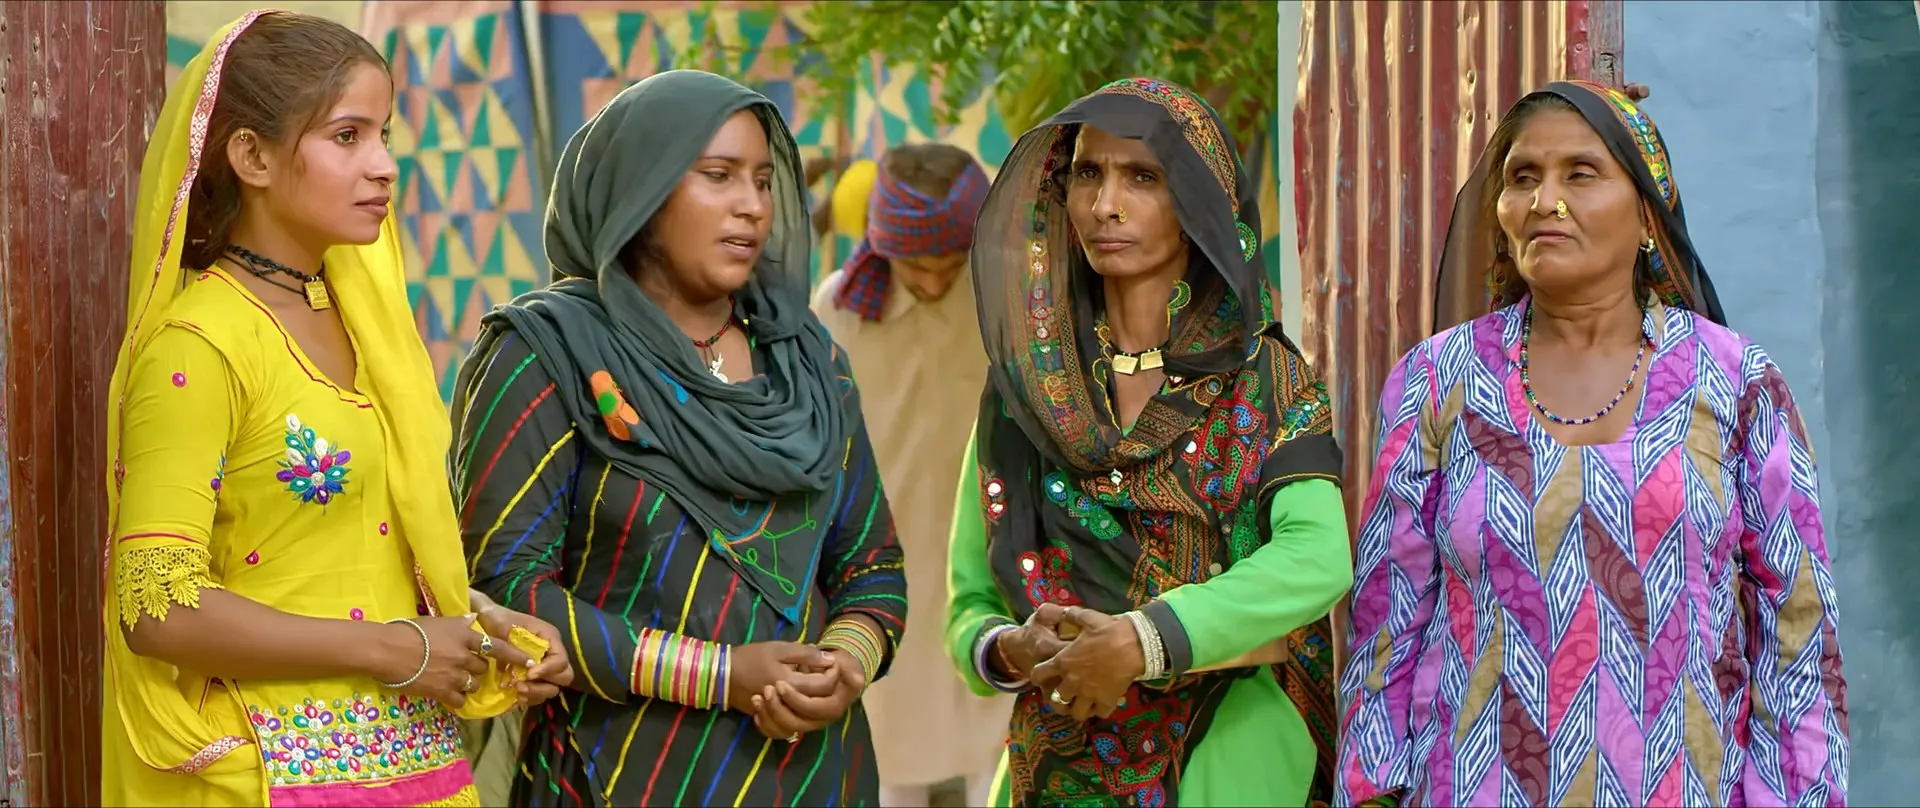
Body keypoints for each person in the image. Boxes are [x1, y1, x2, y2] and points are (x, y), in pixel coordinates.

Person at [103, 11, 571, 805]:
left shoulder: (369, 331)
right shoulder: (199, 347)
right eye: (347, 136)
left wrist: (474, 623)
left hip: (418, 765)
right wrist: (393, 650)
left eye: (385, 135)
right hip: (273, 773)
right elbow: (157, 608)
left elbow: (358, 556)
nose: (384, 166)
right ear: (252, 156)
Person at [1336, 81, 1848, 807]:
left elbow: (1797, 631)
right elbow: (1386, 628)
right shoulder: (1437, 381)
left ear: (1647, 215)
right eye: (1523, 177)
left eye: (1580, 173)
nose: (1545, 200)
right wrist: (1373, 791)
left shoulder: (1735, 382)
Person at [452, 69, 907, 806]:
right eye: (718, 176)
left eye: (763, 181)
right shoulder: (547, 353)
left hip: (818, 777)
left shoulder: (809, 362)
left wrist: (842, 665)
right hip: (615, 773)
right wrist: (722, 676)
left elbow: (872, 565)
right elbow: (510, 591)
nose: (752, 205)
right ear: (640, 188)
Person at [943, 77, 1354, 806]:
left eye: (1142, 177)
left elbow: (1317, 558)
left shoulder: (1264, 379)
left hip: (1226, 752)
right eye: (1087, 174)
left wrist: (1142, 640)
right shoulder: (1027, 392)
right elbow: (971, 600)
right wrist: (1011, 649)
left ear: (1198, 201)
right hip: (1054, 763)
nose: (1105, 204)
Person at [810, 143, 1006, 807]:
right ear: (884, 247)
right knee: (888, 743)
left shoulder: (1004, 301)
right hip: (881, 560)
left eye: (951, 264)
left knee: (999, 731)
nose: (934, 281)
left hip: (990, 551)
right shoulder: (836, 312)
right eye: (917, 266)